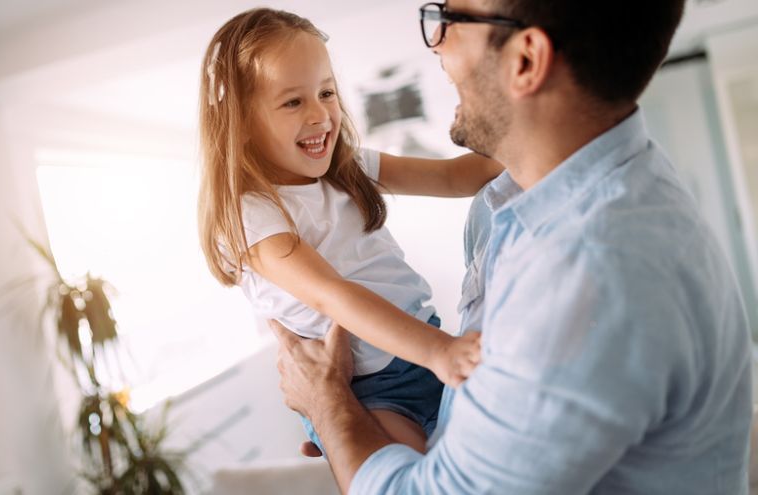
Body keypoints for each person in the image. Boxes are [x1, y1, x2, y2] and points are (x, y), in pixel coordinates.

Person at [272, 0, 754, 493]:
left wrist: (329, 405)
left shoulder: (588, 273)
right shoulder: (513, 202)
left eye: (447, 22)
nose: (436, 45)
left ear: (525, 61)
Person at [196, 9, 502, 456]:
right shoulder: (251, 213)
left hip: (419, 347)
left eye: (326, 92)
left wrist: (534, 143)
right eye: (293, 102)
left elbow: (455, 179)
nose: (321, 114)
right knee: (415, 476)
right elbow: (331, 294)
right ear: (240, 124)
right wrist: (440, 351)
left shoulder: (348, 166)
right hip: (369, 389)